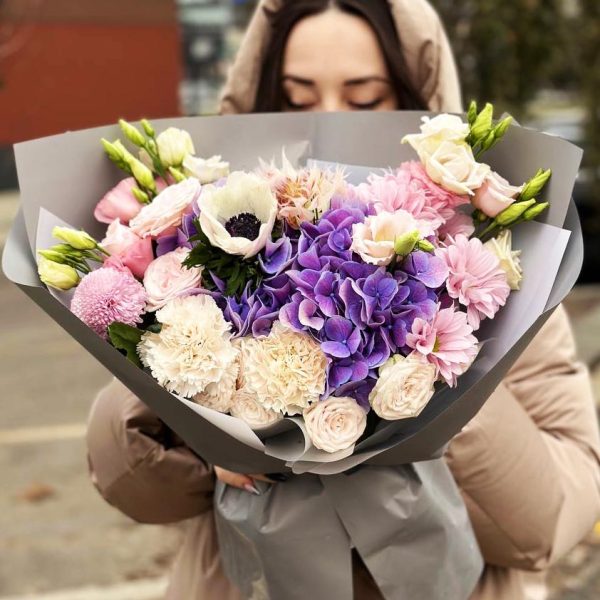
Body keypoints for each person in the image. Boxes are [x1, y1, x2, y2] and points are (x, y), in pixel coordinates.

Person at [86, 1, 600, 598]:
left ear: (421, 108)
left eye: (365, 100)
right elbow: (129, 486)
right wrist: (203, 434)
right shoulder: (196, 264)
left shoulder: (499, 277)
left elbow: (553, 520)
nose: (327, 124)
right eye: (295, 98)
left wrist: (440, 390)